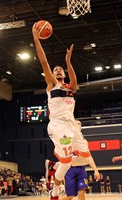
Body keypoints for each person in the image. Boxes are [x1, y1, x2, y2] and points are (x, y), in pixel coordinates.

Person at [32, 24, 93, 200]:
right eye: (55, 69)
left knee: (86, 157)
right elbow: (44, 61)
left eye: (60, 69)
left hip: (72, 125)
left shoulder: (70, 87)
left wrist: (68, 61)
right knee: (67, 161)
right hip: (58, 125)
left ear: (64, 73)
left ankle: (53, 165)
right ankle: (55, 190)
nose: (57, 70)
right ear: (51, 74)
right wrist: (36, 39)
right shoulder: (52, 85)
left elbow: (74, 81)